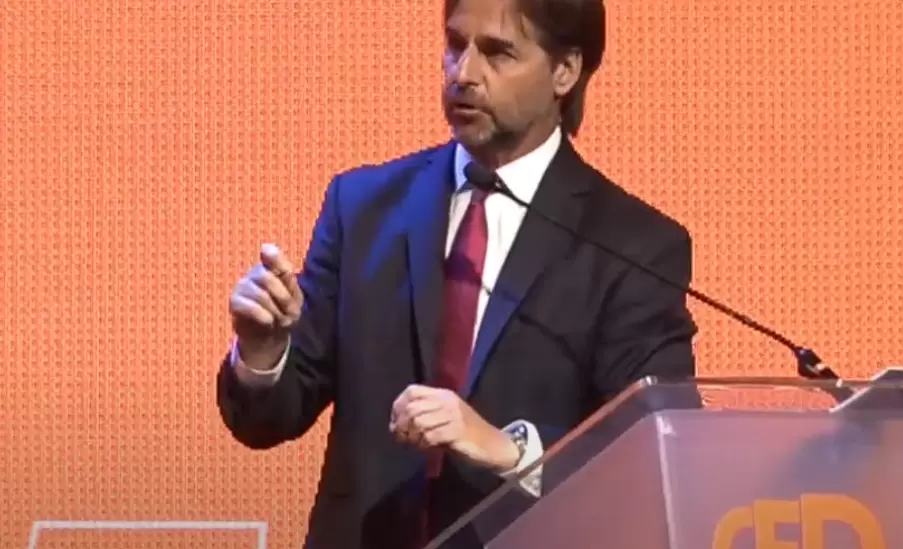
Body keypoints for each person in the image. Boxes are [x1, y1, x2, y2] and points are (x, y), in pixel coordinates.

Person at [215, 0, 697, 547]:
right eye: (455, 45)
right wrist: (263, 353)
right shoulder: (364, 207)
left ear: (564, 71)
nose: (463, 73)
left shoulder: (631, 244)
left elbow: (653, 450)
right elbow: (266, 420)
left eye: (497, 53)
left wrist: (510, 451)